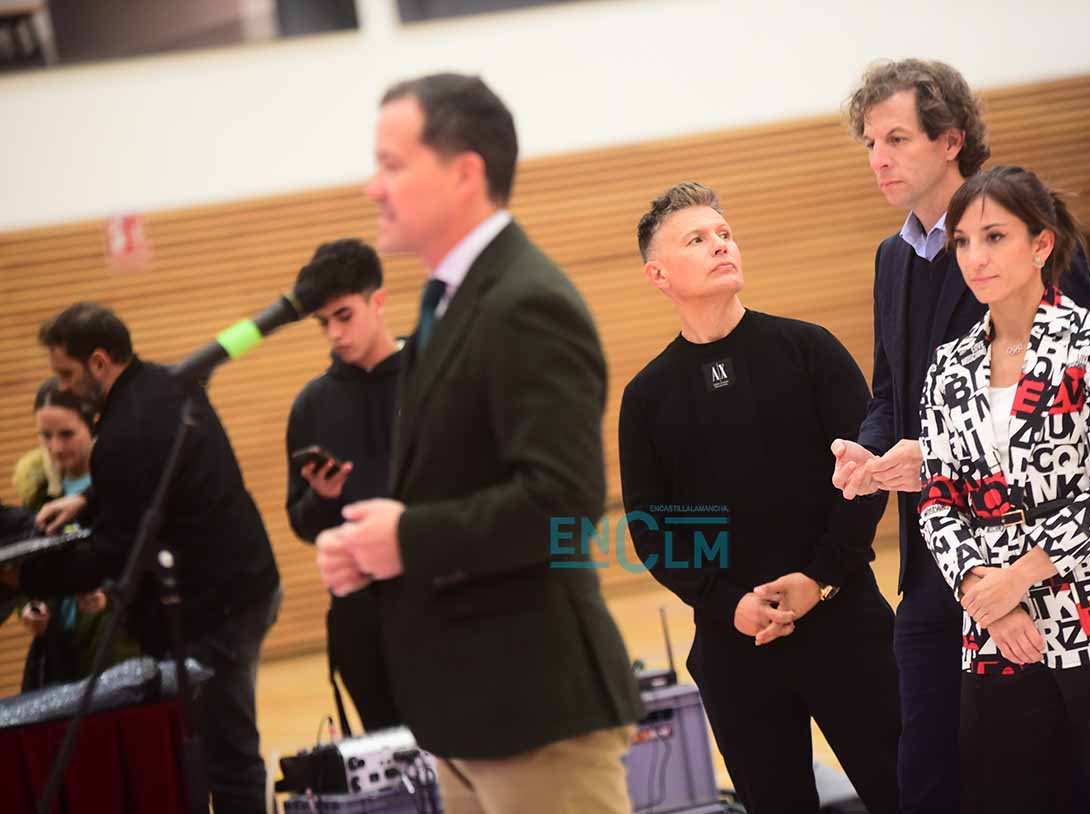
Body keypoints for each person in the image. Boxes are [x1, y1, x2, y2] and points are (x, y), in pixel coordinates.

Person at [313, 73, 642, 814]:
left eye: (391, 165)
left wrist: (407, 539)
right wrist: (374, 549)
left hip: (537, 713)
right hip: (468, 713)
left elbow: (562, 503)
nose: (372, 187)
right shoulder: (448, 300)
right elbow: (453, 485)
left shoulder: (525, 301)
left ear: (464, 173)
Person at [834, 59, 1090, 813]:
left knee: (1040, 778)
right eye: (869, 143)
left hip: (1029, 562)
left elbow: (1066, 405)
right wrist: (871, 450)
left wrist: (938, 455)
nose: (878, 158)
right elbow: (891, 393)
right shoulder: (892, 258)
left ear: (951, 140)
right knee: (926, 777)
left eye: (895, 138)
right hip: (933, 564)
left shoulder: (1023, 237)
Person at [619, 182, 900, 814]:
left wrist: (820, 579)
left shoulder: (808, 348)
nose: (721, 245)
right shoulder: (647, 398)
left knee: (908, 794)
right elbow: (653, 530)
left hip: (845, 623)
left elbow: (866, 475)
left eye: (724, 233)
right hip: (735, 646)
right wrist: (730, 604)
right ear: (658, 275)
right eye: (697, 239)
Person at [920, 165, 1090, 813]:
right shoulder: (947, 368)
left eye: (994, 237)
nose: (974, 257)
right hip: (994, 632)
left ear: (1040, 244)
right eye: (962, 241)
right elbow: (937, 499)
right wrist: (985, 593)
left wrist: (1020, 578)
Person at [0, 302, 281, 814]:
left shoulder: (122, 434)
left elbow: (113, 553)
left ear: (99, 362)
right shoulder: (168, 383)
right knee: (223, 750)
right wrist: (87, 500)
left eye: (67, 374)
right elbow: (156, 482)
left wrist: (26, 577)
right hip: (244, 588)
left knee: (227, 757)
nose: (63, 386)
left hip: (214, 611)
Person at [286, 237, 401, 733]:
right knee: (387, 748)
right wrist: (321, 498)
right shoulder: (311, 404)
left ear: (378, 301)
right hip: (360, 615)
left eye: (344, 315)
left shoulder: (433, 377)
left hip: (441, 602)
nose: (334, 333)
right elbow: (301, 522)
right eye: (323, 322)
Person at [10, 379, 138, 690]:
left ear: (93, 425)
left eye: (66, 434)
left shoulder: (122, 486)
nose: (56, 447)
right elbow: (23, 566)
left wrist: (108, 597)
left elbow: (144, 565)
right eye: (46, 435)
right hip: (57, 653)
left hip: (115, 650)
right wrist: (28, 608)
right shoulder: (39, 493)